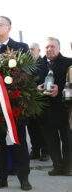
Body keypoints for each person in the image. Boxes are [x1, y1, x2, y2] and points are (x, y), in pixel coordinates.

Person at [0, 16, 32, 191]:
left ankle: (24, 177)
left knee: (19, 142)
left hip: (16, 104)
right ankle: (1, 177)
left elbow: (28, 73)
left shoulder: (21, 48)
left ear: (9, 28)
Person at [37, 37, 72, 176]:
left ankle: (67, 167)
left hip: (65, 110)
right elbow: (31, 85)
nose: (49, 49)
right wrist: (37, 88)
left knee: (68, 141)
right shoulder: (37, 65)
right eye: (47, 47)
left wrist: (61, 89)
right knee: (51, 142)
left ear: (59, 48)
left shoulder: (69, 63)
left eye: (53, 46)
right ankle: (57, 166)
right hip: (45, 111)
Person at [27, 43, 49, 161]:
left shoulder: (44, 64)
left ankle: (45, 151)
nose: (30, 51)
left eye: (32, 49)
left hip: (41, 101)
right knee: (32, 127)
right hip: (29, 101)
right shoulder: (26, 65)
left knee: (42, 127)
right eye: (29, 49)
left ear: (39, 50)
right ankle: (35, 150)